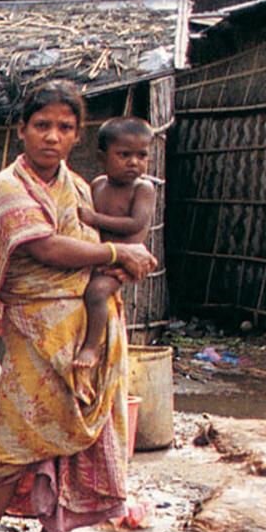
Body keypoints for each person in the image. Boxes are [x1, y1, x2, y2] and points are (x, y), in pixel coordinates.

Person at [0, 81, 158, 532]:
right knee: (14, 446)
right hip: (33, 331)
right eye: (42, 125)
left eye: (65, 127)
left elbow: (107, 240)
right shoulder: (4, 187)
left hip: (91, 328)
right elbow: (44, 248)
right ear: (21, 129)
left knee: (83, 445)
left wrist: (115, 269)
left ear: (78, 135)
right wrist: (117, 257)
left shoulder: (82, 190)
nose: (52, 137)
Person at [73, 116, 157, 370]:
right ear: (102, 157)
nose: (134, 162)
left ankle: (91, 347)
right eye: (124, 155)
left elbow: (135, 223)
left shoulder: (143, 189)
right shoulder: (98, 185)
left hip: (121, 263)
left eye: (142, 155)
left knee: (96, 293)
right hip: (98, 257)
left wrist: (95, 218)